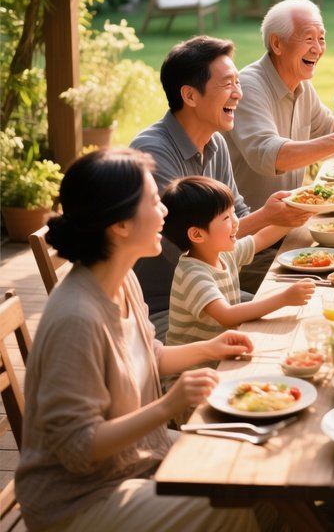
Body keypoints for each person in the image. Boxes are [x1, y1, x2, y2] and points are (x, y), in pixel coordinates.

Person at [14, 148, 277, 532]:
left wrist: (211, 348)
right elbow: (78, 448)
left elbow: (147, 354)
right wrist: (168, 404)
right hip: (79, 502)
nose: (165, 212)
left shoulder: (123, 280)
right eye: (154, 202)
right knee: (229, 505)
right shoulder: (76, 318)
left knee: (259, 460)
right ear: (120, 225)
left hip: (138, 458)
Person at [130, 36, 310, 331]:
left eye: (238, 83)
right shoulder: (152, 154)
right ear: (190, 96)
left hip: (221, 289)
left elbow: (237, 214)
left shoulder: (215, 143)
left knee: (300, 317)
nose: (238, 94)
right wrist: (267, 217)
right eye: (227, 84)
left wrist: (296, 210)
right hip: (168, 312)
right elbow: (186, 244)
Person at [225, 0, 334, 210]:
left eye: (321, 38)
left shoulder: (301, 84)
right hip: (248, 230)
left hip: (288, 219)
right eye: (309, 39)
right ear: (277, 44)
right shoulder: (249, 86)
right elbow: (269, 156)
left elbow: (328, 129)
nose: (317, 49)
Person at [161, 175, 315, 352]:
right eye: (226, 218)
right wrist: (284, 299)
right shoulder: (193, 275)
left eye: (233, 212)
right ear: (197, 235)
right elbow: (227, 316)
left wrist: (306, 211)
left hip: (223, 354)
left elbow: (261, 238)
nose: (236, 222)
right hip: (193, 370)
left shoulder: (223, 254)